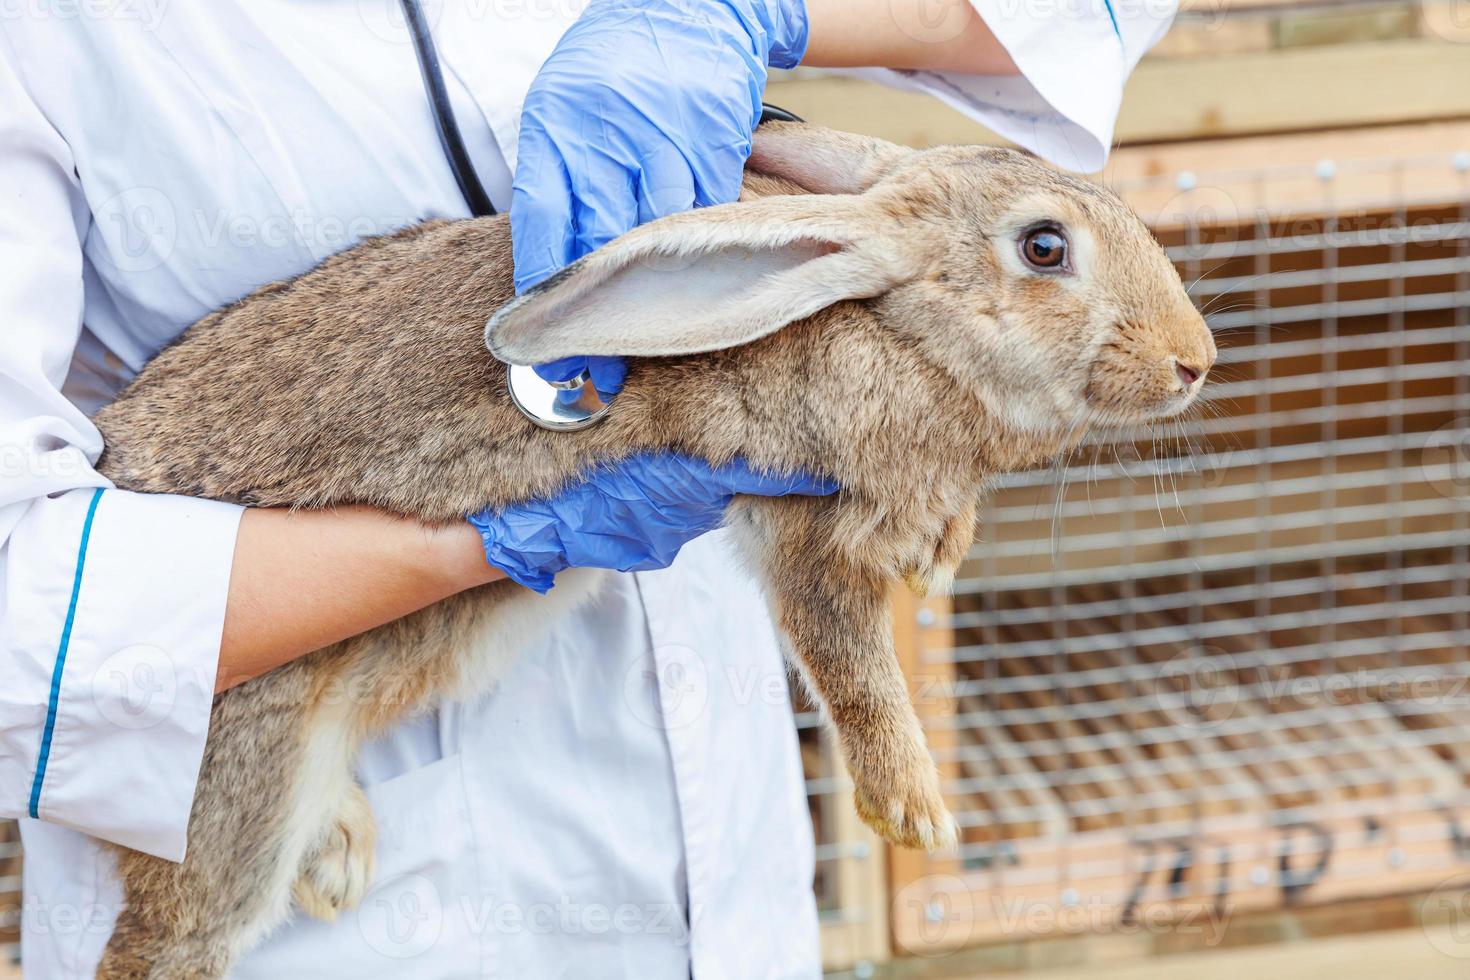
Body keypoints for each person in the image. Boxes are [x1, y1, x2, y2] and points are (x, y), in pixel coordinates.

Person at [0, 0, 1173, 975]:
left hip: (728, 849)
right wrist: (491, 539)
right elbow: (23, 609)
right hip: (365, 894)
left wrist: (749, 7)